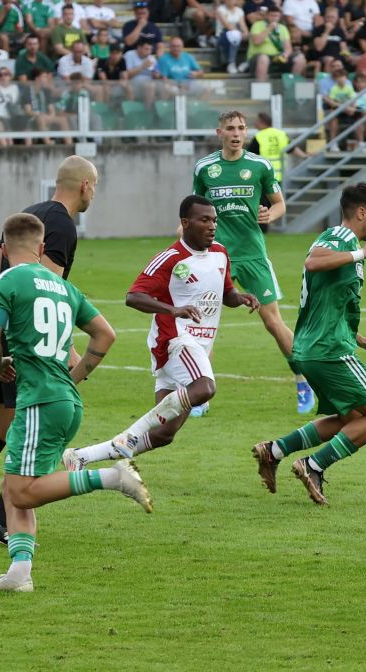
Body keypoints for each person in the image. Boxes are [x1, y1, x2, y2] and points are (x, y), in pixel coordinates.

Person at [0, 212, 151, 593]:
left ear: (3, 249)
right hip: (65, 400)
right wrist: (75, 377)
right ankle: (19, 573)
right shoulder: (62, 286)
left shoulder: (5, 280)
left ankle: (113, 477)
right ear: (41, 247)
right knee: (14, 484)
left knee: (21, 491)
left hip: (38, 400)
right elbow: (105, 335)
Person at [0, 156, 99, 543]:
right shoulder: (62, 226)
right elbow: (46, 293)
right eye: (95, 186)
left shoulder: (27, 215)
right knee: (29, 429)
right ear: (84, 186)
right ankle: (1, 520)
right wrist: (65, 350)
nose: (94, 193)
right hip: (29, 349)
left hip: (1, 336)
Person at [62, 196, 260, 469]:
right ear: (185, 223)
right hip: (175, 341)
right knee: (205, 388)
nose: (212, 225)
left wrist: (240, 298)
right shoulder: (171, 258)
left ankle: (81, 456)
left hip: (198, 347)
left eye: (214, 220)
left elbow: (226, 292)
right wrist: (173, 309)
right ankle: (130, 434)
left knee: (164, 433)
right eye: (204, 220)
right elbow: (133, 296)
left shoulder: (220, 253)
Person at [251, 182, 366, 505]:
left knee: (351, 418)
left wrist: (364, 340)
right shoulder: (340, 237)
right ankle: (313, 466)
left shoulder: (343, 245)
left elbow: (330, 306)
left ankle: (274, 451)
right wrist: (363, 252)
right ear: (361, 212)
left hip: (316, 347)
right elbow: (313, 261)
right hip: (328, 351)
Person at [193, 110, 315, 414]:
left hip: (253, 255)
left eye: (241, 128)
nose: (236, 133)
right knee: (204, 325)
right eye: (230, 128)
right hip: (216, 256)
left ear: (246, 132)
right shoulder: (205, 168)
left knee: (273, 322)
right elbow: (195, 209)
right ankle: (200, 395)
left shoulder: (260, 166)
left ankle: (304, 380)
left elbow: (279, 204)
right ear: (220, 132)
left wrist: (269, 215)